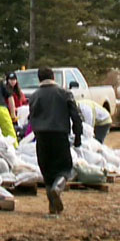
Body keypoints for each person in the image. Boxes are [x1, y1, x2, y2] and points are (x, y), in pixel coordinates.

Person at [28, 67, 82, 215]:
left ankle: (52, 207)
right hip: (60, 134)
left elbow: (31, 117)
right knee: (64, 168)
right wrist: (77, 136)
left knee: (47, 170)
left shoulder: (34, 96)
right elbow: (76, 117)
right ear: (53, 77)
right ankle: (57, 189)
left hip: (41, 136)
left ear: (39, 79)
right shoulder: (64, 94)